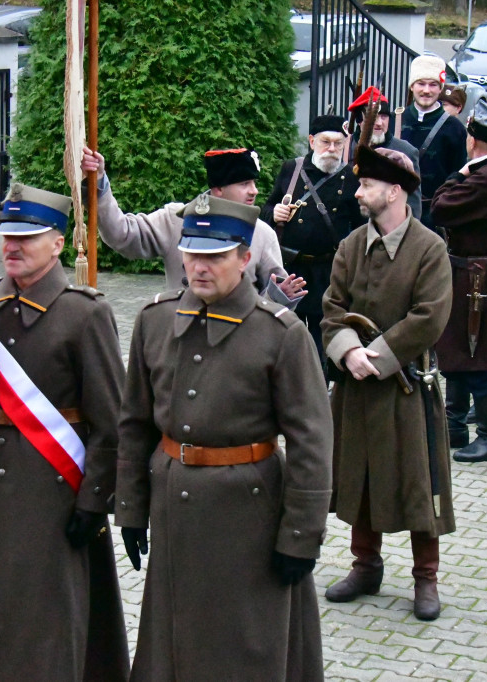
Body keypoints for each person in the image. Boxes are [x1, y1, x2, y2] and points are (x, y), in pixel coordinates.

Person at [114, 194, 333, 680]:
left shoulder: (280, 334)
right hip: (174, 513)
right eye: (192, 253)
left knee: (247, 644)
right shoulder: (154, 321)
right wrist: (129, 505)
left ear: (244, 257)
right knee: (173, 642)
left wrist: (301, 535)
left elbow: (312, 442)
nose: (199, 266)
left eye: (215, 255)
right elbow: (134, 423)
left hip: (249, 516)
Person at [0, 184, 130, 679]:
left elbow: (112, 421)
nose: (12, 246)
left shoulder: (85, 312)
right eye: (7, 236)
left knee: (49, 616)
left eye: (27, 237)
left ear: (58, 243)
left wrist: (95, 499)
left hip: (55, 492)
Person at [321, 144, 454, 620]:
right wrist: (347, 353)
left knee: (419, 481)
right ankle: (366, 566)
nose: (359, 193)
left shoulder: (429, 248)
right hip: (356, 387)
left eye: (367, 186)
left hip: (408, 387)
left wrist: (374, 356)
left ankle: (426, 578)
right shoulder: (350, 245)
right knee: (358, 475)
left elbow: (430, 316)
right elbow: (332, 310)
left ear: (394, 192)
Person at [80, 146, 305, 305]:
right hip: (182, 342)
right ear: (219, 189)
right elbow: (122, 235)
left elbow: (271, 308)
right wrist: (99, 183)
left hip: (239, 349)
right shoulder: (176, 219)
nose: (254, 191)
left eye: (254, 183)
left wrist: (279, 296)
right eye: (244, 183)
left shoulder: (262, 232)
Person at [430, 99, 487, 464]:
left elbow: (439, 206)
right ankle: (454, 425)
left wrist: (457, 177)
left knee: (477, 353)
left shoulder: (486, 177)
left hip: (477, 274)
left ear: (472, 138)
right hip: (467, 270)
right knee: (457, 347)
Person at [262, 114, 366, 366]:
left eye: (338, 144)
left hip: (328, 270)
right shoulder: (292, 168)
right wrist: (273, 213)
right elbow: (266, 207)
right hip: (290, 268)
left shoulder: (351, 177)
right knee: (286, 332)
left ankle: (320, 389)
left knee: (323, 338)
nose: (332, 149)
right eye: (325, 142)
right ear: (311, 141)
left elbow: (361, 226)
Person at [400, 55, 468, 229]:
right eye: (421, 84)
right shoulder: (397, 120)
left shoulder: (455, 128)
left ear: (440, 88)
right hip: (398, 212)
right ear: (412, 86)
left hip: (436, 216)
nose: (426, 90)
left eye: (433, 85)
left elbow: (458, 176)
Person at [347, 85, 423, 219]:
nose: (379, 122)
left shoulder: (407, 151)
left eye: (384, 117)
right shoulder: (345, 148)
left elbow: (413, 205)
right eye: (373, 116)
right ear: (359, 121)